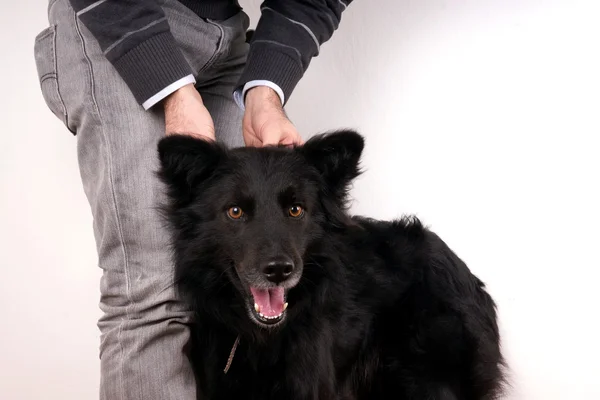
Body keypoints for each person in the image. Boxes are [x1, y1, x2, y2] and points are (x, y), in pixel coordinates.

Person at [33, 0, 352, 398]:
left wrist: (265, 88)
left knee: (232, 294)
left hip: (227, 31)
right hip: (117, 20)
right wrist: (171, 89)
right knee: (150, 294)